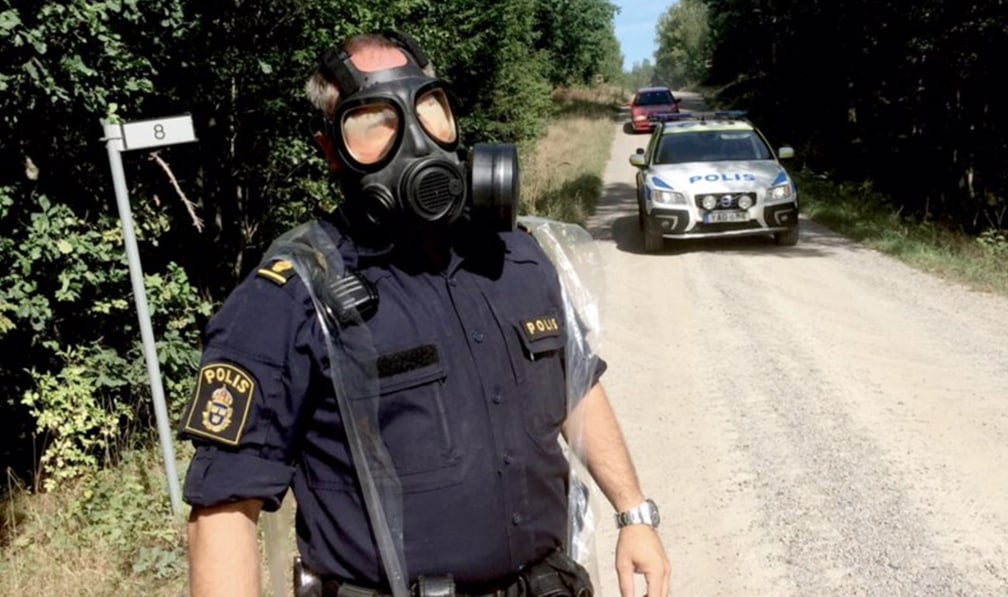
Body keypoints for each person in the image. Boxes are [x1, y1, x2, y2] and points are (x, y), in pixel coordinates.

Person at [180, 31, 670, 597]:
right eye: (374, 123)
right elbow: (224, 507)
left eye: (428, 109)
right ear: (330, 151)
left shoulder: (516, 256)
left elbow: (575, 386)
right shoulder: (291, 295)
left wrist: (634, 514)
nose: (414, 138)